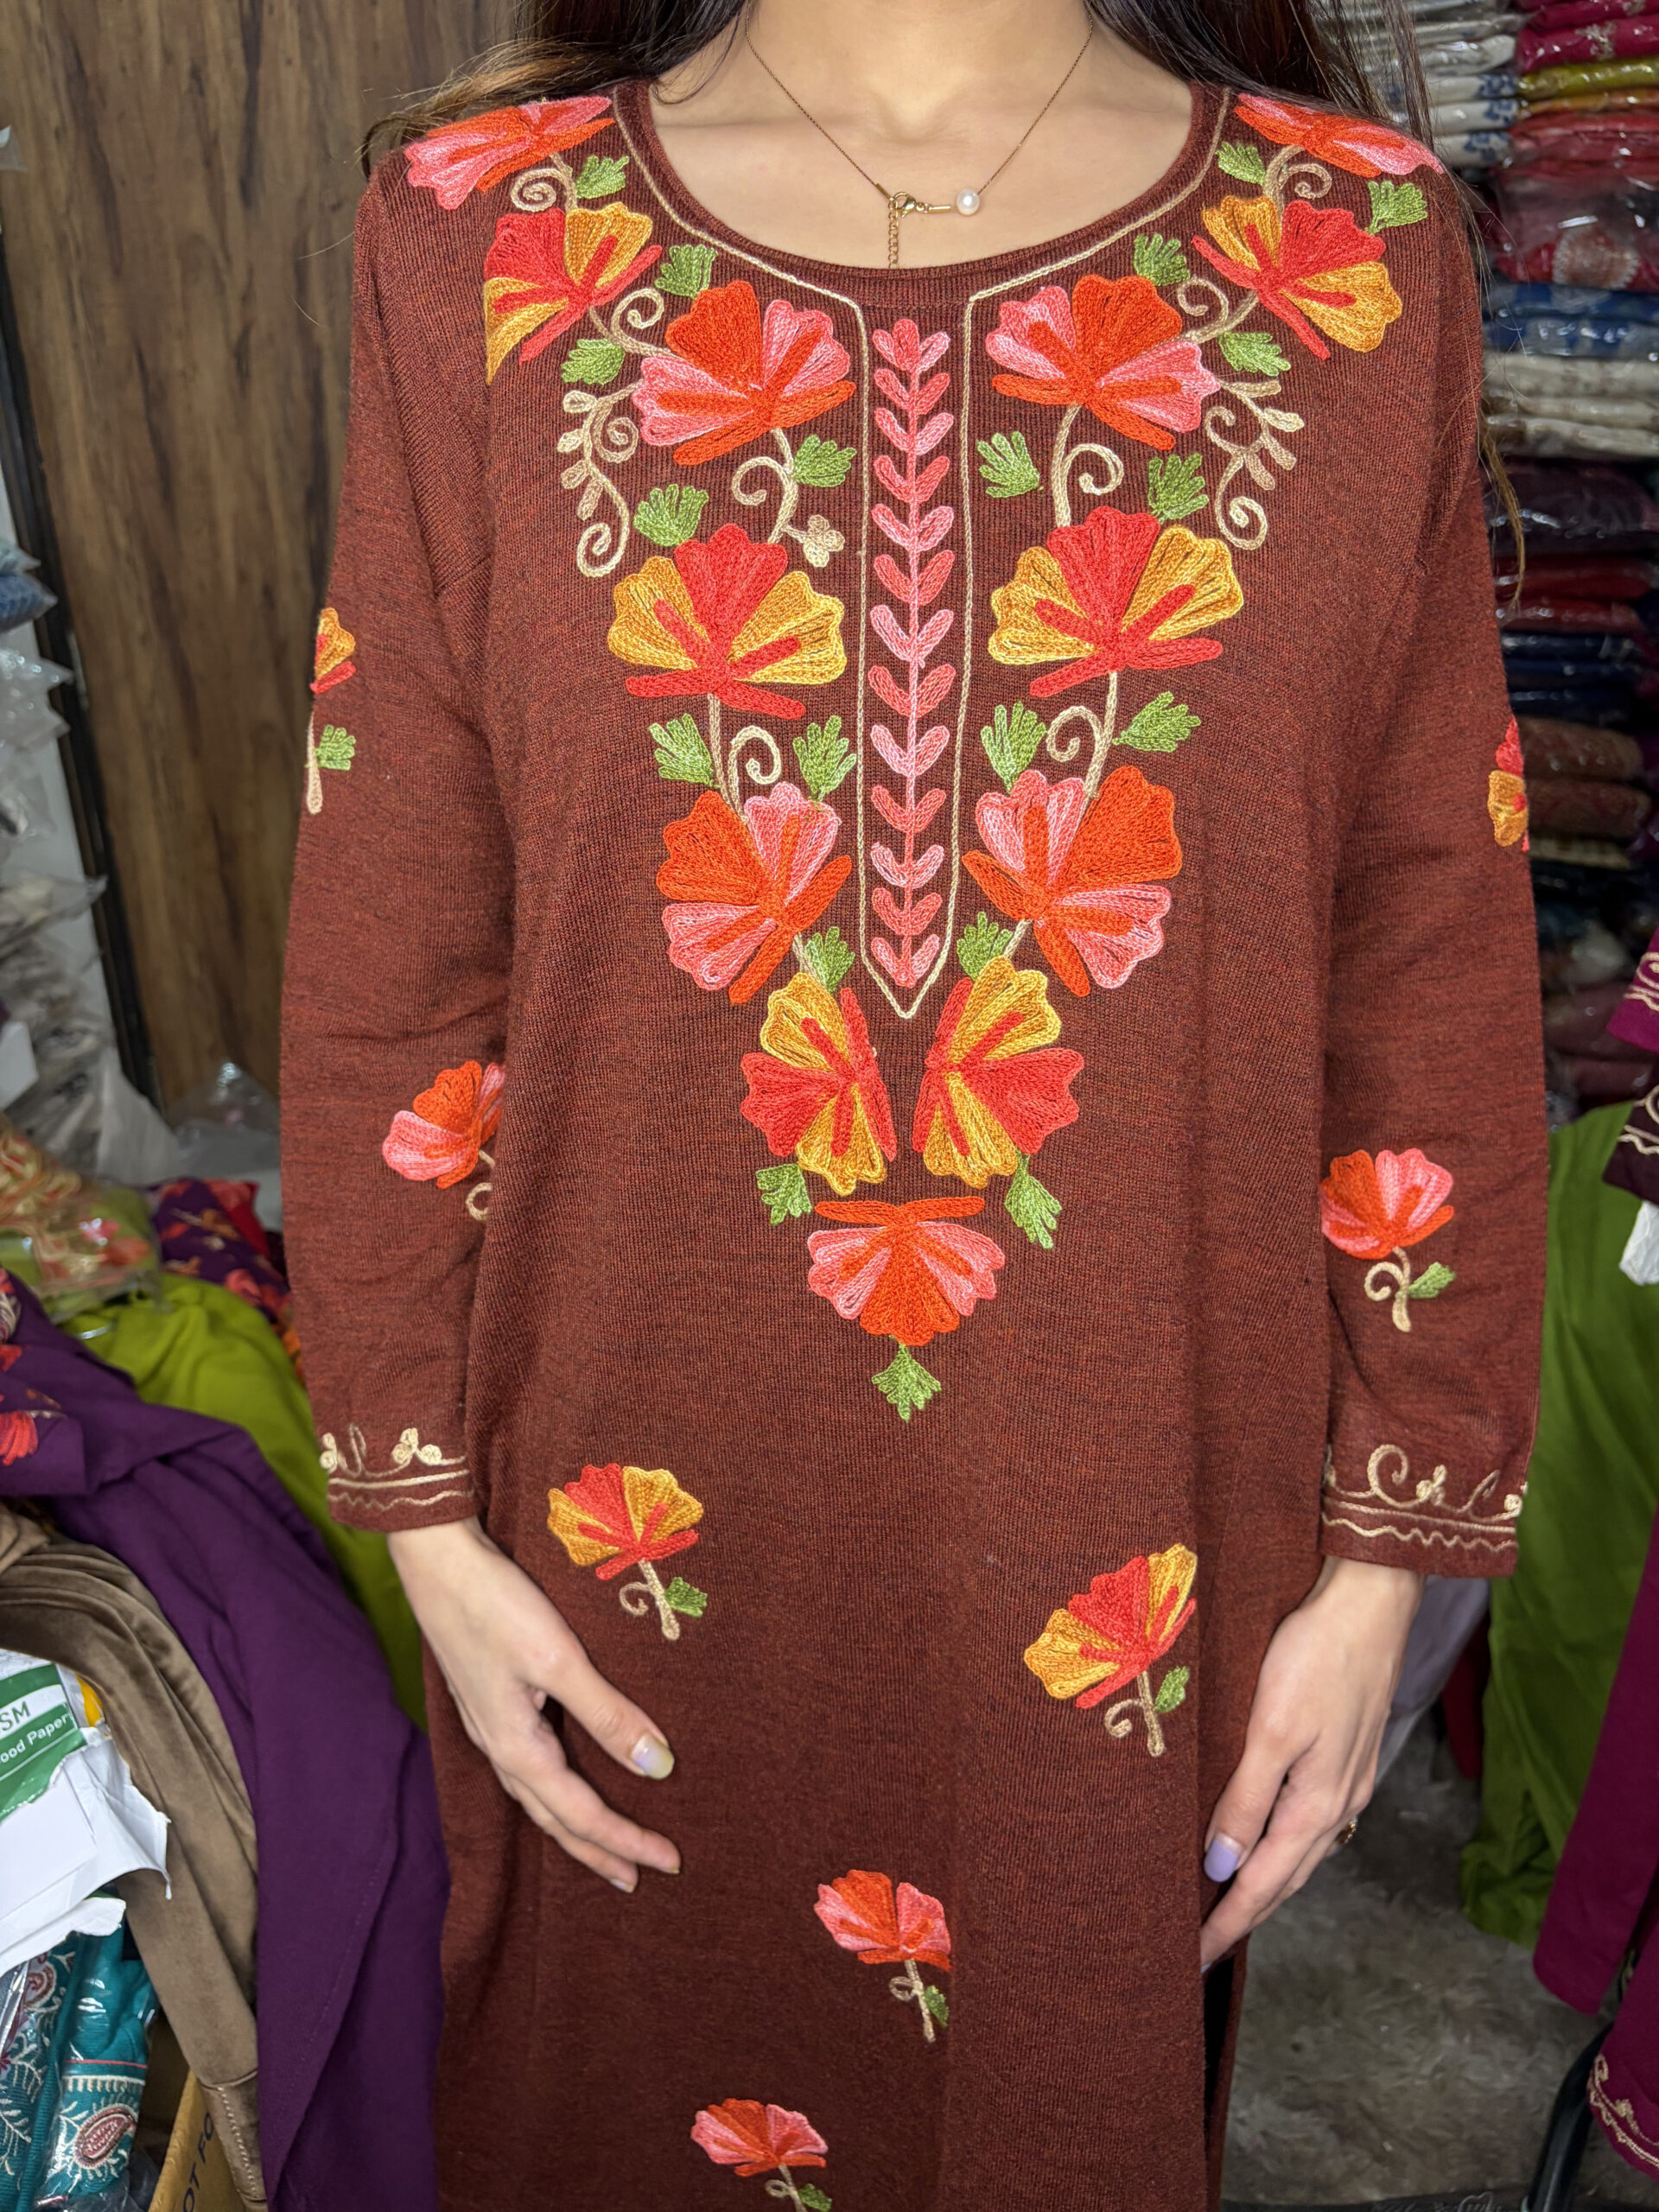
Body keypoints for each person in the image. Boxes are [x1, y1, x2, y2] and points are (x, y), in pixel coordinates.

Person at [279, 0, 1547, 2201]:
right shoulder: (482, 235)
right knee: (618, 2102)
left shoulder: (1351, 249)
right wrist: (421, 1514)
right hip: (628, 1526)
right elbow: (397, 928)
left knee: (1057, 2108)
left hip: (1130, 1515)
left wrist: (1389, 1558)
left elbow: (1428, 927)